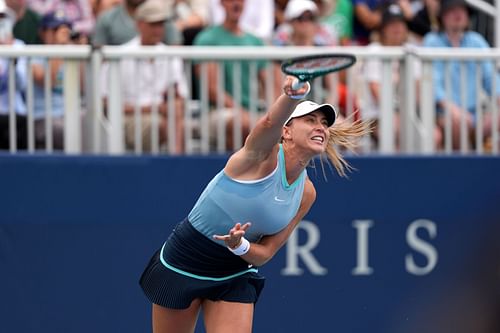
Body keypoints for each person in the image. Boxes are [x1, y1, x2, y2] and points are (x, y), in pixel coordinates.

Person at [139, 75, 370, 332]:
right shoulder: (261, 158)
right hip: (185, 259)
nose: (321, 127)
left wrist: (240, 245)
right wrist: (291, 96)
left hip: (234, 271)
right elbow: (270, 121)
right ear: (286, 131)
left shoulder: (307, 193)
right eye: (310, 120)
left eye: (324, 123)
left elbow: (266, 253)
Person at [101, 0, 187, 153]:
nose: (158, 29)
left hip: (162, 117)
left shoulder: (171, 55)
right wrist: (154, 108)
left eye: (161, 24)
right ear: (139, 24)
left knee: (174, 112)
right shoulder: (119, 56)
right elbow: (107, 103)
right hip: (129, 119)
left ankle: (175, 162)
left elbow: (180, 97)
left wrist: (169, 105)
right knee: (162, 122)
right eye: (153, 24)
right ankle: (177, 163)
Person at [422, 0, 500, 150]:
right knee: (457, 123)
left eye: (462, 10)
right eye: (452, 10)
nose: (458, 14)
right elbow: (433, 84)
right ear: (442, 16)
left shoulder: (476, 41)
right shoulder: (432, 41)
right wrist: (454, 111)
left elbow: (491, 78)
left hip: (477, 115)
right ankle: (464, 170)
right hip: (444, 115)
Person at [193, 0, 268, 151]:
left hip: (250, 113)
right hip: (215, 112)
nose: (236, 3)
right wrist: (246, 114)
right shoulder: (207, 39)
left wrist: (274, 115)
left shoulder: (255, 41)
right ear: (221, 3)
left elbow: (271, 83)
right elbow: (212, 90)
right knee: (242, 125)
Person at [92, 0, 181, 47]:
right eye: (153, 24)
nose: (157, 28)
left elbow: (176, 51)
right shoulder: (106, 18)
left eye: (158, 24)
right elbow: (98, 56)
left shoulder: (163, 16)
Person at [0, 0, 28, 149]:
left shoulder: (19, 46)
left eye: (4, 19)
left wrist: (12, 57)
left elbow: (21, 84)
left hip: (16, 116)